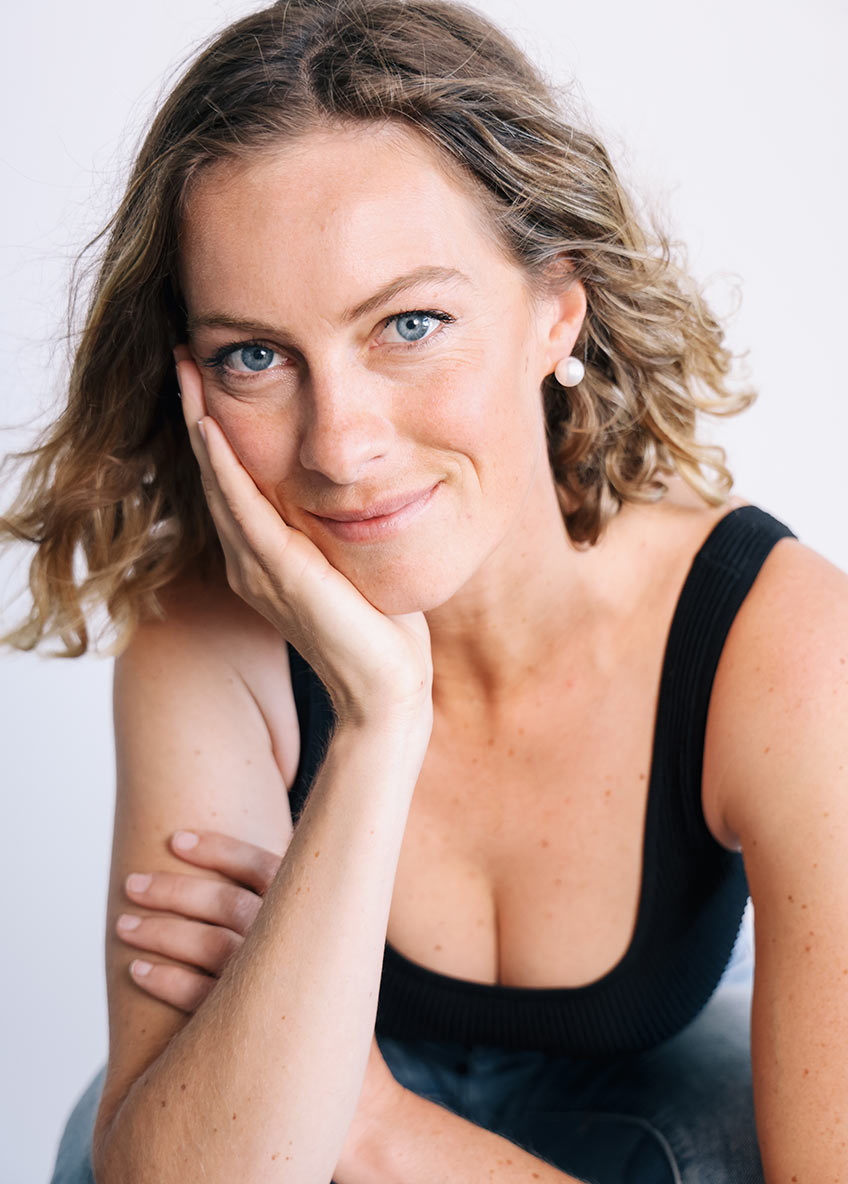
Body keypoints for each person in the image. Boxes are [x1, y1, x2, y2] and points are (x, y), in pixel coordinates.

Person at [4, 0, 845, 1180]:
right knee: (123, 1127)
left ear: (555, 311)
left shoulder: (780, 640)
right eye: (256, 355)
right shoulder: (206, 636)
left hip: (633, 1131)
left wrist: (378, 1126)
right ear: (190, 380)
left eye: (408, 322)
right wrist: (377, 717)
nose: (339, 446)